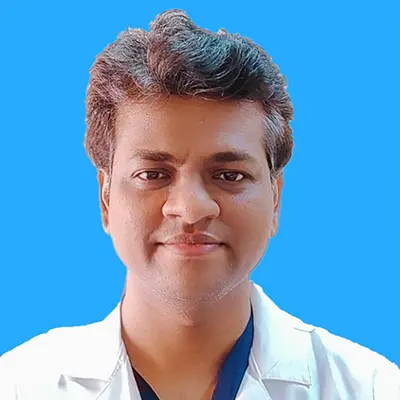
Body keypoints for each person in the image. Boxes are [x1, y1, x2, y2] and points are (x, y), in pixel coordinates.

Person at [0, 8, 398, 400]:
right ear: (105, 198)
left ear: (275, 199)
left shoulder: (373, 388)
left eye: (229, 176)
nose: (190, 209)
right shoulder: (19, 386)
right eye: (153, 174)